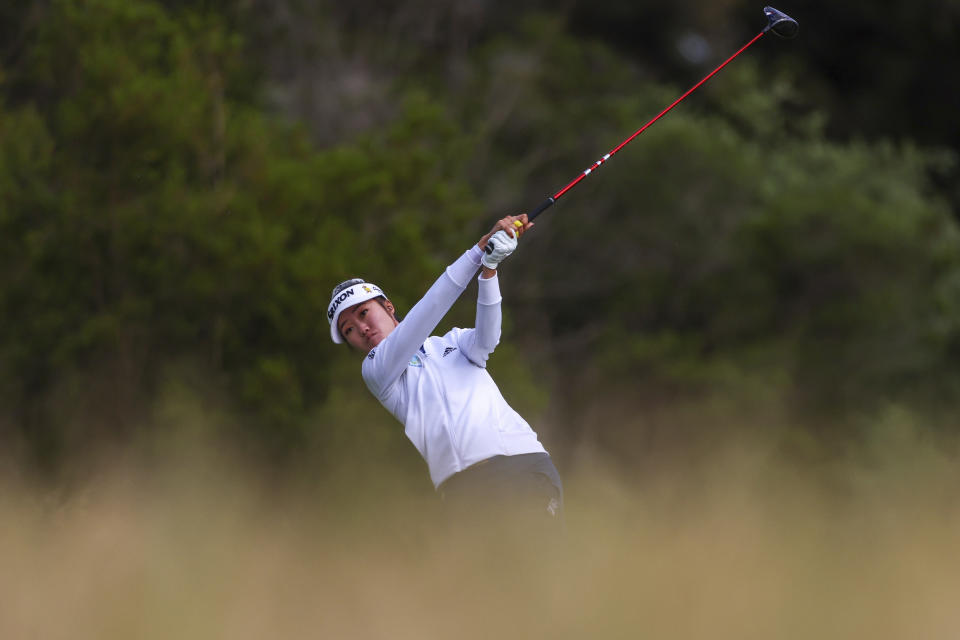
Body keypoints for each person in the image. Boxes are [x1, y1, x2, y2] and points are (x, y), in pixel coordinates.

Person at [327, 214, 562, 530]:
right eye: (349, 329)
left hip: (522, 464)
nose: (362, 328)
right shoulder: (377, 373)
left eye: (364, 312)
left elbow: (487, 340)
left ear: (389, 307)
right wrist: (477, 253)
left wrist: (489, 269)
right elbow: (428, 311)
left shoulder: (451, 341)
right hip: (464, 491)